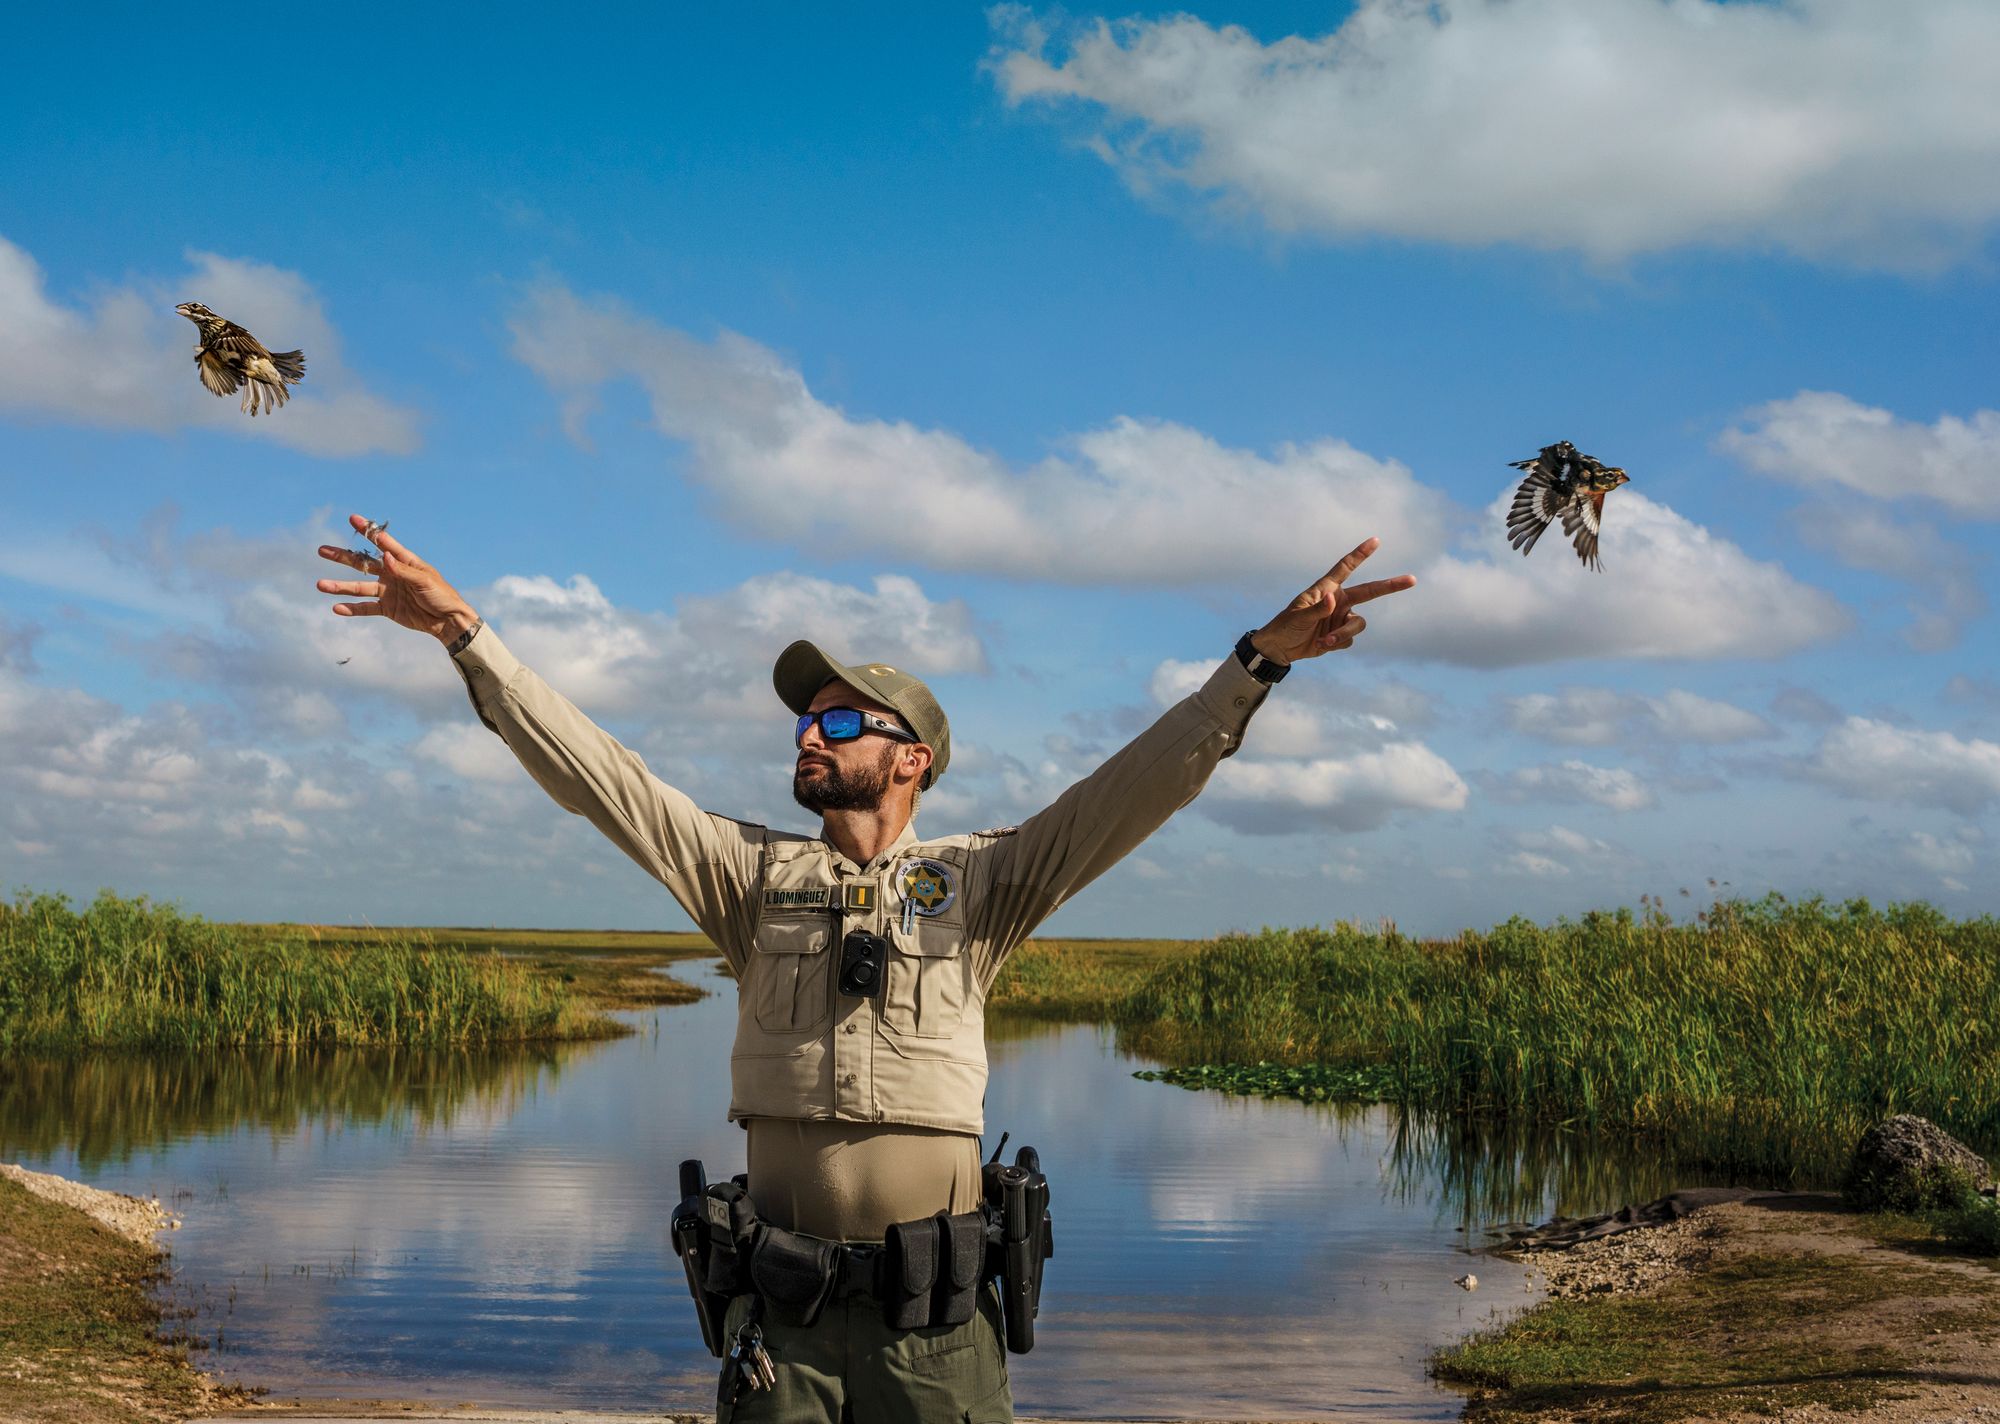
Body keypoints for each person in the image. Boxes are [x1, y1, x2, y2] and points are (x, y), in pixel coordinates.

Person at [315, 514, 1416, 1423]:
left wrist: (1256, 662)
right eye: (803, 717)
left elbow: (1133, 786)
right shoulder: (743, 875)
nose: (809, 732)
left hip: (932, 1340)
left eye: (838, 717)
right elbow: (600, 775)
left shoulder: (988, 882)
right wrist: (465, 632)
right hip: (780, 1333)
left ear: (911, 756)